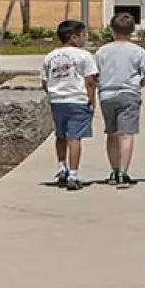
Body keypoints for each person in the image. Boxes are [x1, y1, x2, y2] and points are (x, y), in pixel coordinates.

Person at [96, 10, 145, 187]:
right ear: (132, 30)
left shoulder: (102, 51)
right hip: (129, 94)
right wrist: (138, 85)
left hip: (107, 95)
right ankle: (123, 173)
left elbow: (94, 73)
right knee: (126, 134)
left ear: (111, 30)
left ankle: (114, 170)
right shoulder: (138, 51)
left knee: (112, 133)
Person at [40, 20, 98, 191]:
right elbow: (90, 81)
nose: (84, 39)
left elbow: (45, 80)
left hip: (57, 101)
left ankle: (61, 167)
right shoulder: (84, 56)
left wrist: (53, 93)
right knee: (74, 138)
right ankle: (73, 174)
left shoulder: (50, 56)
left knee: (60, 135)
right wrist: (91, 99)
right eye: (83, 35)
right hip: (77, 100)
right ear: (74, 37)